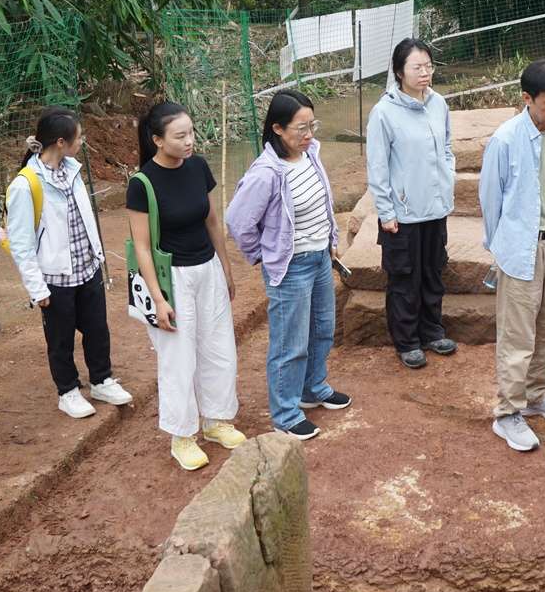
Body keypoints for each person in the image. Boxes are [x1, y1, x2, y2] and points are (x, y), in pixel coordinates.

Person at [127, 101, 243, 470]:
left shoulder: (198, 166)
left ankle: (215, 421)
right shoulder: (142, 184)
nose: (190, 140)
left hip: (207, 268)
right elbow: (142, 248)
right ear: (158, 140)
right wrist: (159, 300)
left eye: (191, 132)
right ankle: (182, 436)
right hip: (172, 278)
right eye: (181, 135)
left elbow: (212, 221)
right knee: (178, 359)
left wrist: (225, 268)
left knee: (219, 347)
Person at [227, 90, 348, 440]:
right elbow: (238, 222)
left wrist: (331, 240)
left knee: (323, 327)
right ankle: (285, 413)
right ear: (278, 129)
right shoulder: (266, 173)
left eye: (312, 125)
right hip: (291, 266)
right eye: (301, 128)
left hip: (321, 256)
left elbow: (324, 199)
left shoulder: (311, 153)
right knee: (289, 342)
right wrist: (267, 254)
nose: (309, 134)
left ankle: (313, 388)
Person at [5, 108, 134, 420]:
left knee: (97, 330)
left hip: (86, 268)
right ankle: (68, 391)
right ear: (61, 142)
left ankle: (101, 380)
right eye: (79, 137)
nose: (83, 142)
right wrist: (37, 288)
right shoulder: (26, 185)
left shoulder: (72, 170)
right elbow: (21, 244)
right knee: (60, 339)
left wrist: (97, 259)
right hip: (55, 278)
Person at [479, 60, 545, 452]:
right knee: (517, 335)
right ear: (526, 99)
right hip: (521, 247)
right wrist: (500, 246)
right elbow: (490, 198)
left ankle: (535, 396)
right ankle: (507, 413)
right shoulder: (505, 139)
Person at [365, 37, 458, 369]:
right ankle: (406, 342)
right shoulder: (384, 113)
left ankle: (432, 332)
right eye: (417, 67)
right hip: (402, 213)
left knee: (432, 273)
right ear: (399, 72)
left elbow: (446, 148)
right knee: (404, 279)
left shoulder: (438, 104)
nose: (424, 73)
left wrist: (448, 179)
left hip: (434, 208)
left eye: (428, 66)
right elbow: (377, 166)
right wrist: (385, 211)